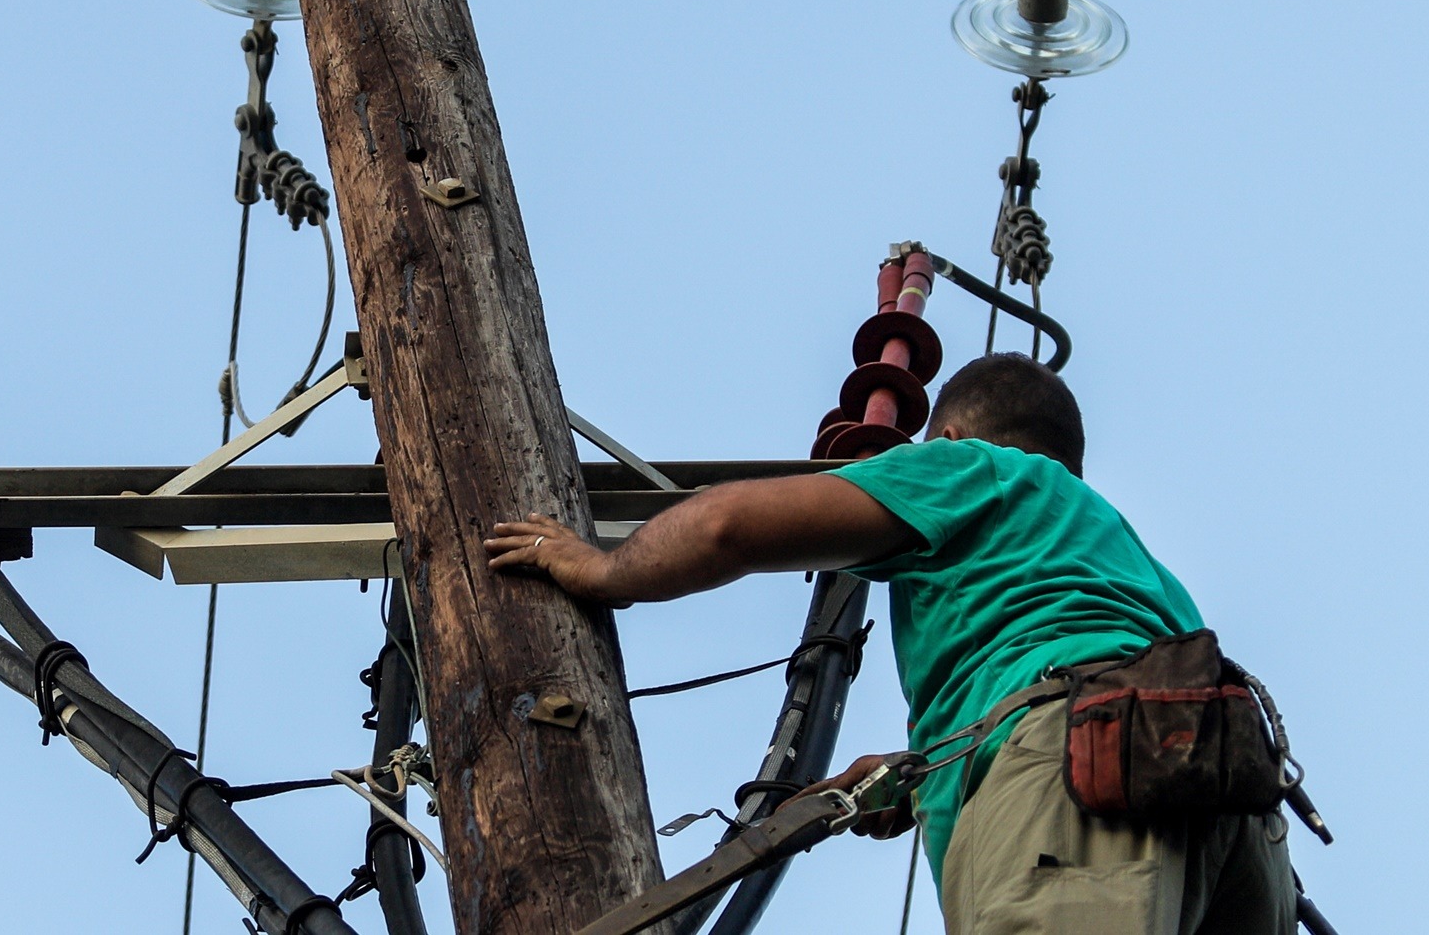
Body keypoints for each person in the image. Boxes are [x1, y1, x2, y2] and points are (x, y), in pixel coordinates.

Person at [485, 353, 1295, 935]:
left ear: (949, 435)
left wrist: (597, 569)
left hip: (1080, 775)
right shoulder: (1126, 561)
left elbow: (727, 526)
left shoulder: (973, 469)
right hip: (1238, 822)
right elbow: (1086, 679)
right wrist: (916, 775)